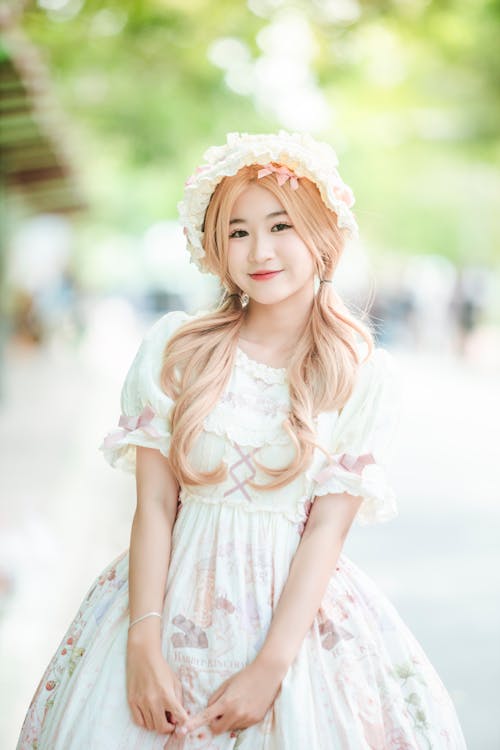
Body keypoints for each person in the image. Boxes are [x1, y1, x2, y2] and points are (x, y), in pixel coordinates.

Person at [16, 130, 467, 749]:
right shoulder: (178, 351)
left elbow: (326, 530)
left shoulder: (358, 372)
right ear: (215, 249)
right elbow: (153, 505)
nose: (260, 250)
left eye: (281, 225)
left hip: (294, 627)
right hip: (163, 602)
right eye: (238, 231)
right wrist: (142, 641)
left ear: (322, 235)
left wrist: (271, 668)